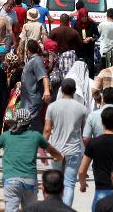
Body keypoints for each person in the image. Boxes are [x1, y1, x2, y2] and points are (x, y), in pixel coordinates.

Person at [0, 108, 65, 212]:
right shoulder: (36, 136)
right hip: (29, 180)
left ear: (15, 120)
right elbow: (54, 152)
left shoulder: (6, 136)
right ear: (29, 122)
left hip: (11, 180)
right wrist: (60, 157)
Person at [43, 78, 87, 207]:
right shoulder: (82, 109)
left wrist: (42, 146)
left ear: (61, 90)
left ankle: (55, 208)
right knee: (69, 183)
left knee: (55, 183)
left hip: (56, 150)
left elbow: (47, 130)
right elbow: (84, 134)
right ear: (74, 91)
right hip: (74, 150)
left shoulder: (52, 106)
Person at [21, 39, 51, 131]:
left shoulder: (37, 60)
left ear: (28, 50)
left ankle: (42, 141)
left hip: (33, 99)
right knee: (31, 121)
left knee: (30, 121)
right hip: (27, 99)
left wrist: (46, 91)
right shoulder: (31, 60)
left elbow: (44, 76)